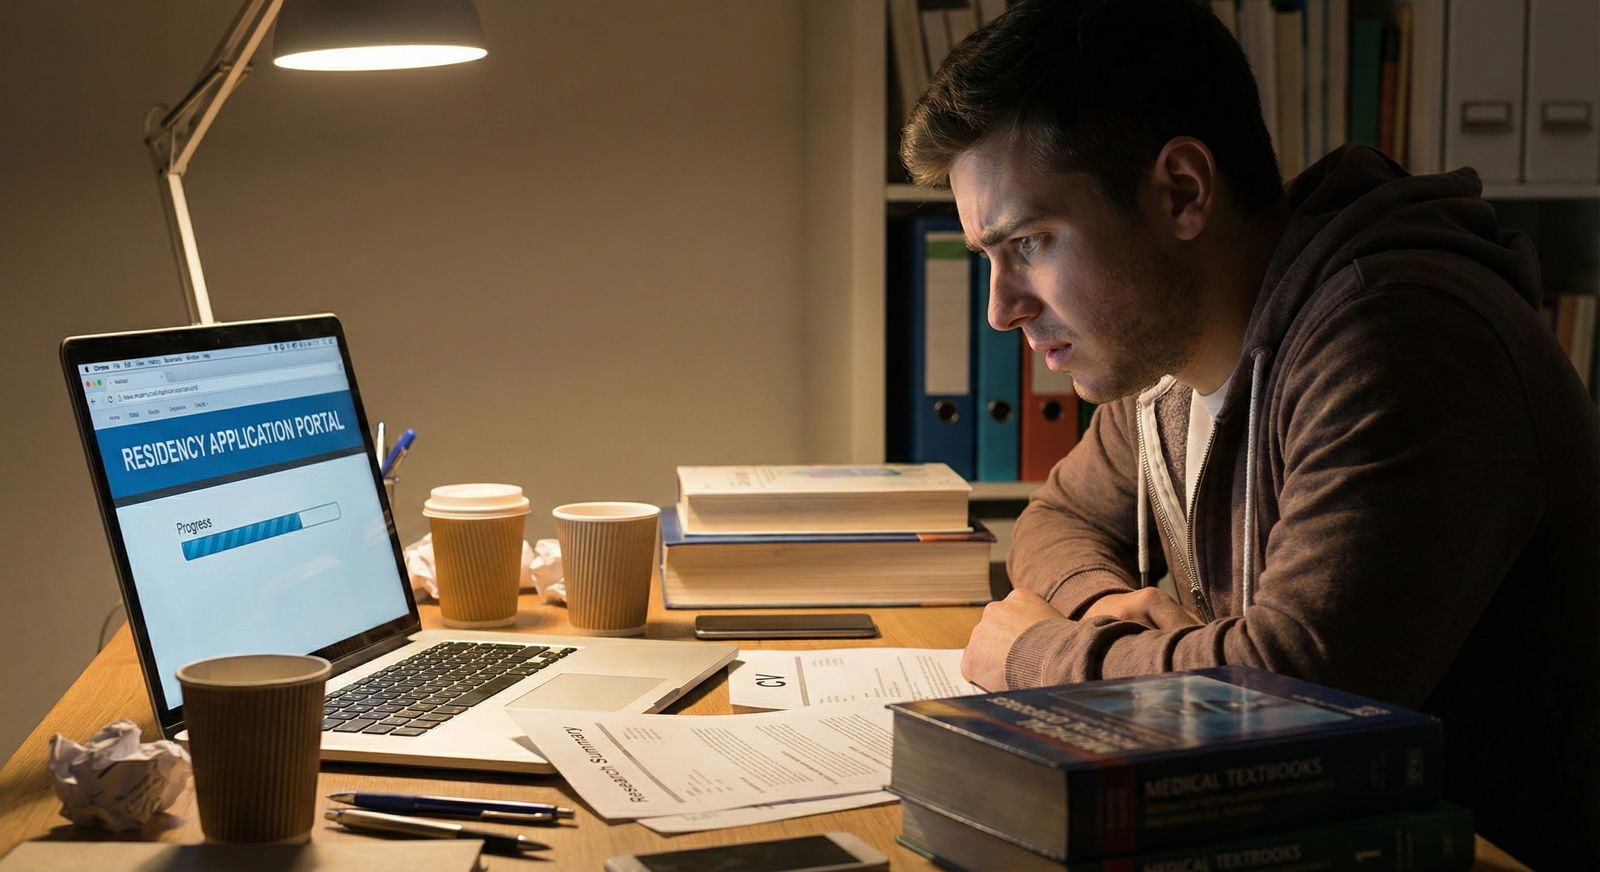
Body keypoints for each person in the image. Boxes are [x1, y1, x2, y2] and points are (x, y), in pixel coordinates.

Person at [898, 1, 1600, 867]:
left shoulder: (1402, 339)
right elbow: (1059, 520)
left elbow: (1302, 693)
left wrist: (1042, 653)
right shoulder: (1169, 359)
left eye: (1031, 242)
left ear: (1182, 192)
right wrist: (1096, 604)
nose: (1004, 308)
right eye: (988, 258)